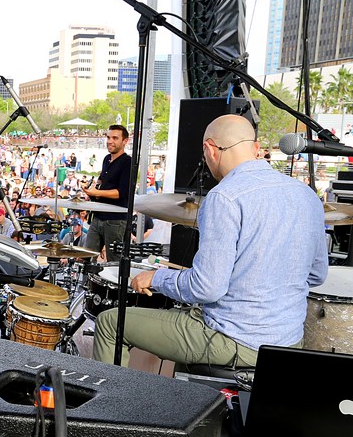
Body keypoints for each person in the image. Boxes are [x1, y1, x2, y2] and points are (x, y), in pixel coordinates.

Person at [93, 115, 328, 368]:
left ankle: (115, 394)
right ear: (256, 148)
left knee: (109, 323)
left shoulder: (224, 197)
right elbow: (317, 275)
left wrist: (155, 278)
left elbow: (207, 288)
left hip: (235, 339)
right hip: (289, 342)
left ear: (210, 149)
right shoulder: (307, 195)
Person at [82, 125, 132, 257]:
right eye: (108, 137)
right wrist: (92, 190)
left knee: (114, 261)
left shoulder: (128, 162)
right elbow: (102, 183)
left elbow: (122, 193)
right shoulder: (106, 159)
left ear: (125, 141)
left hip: (115, 220)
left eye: (115, 138)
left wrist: (96, 193)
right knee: (87, 256)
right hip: (98, 216)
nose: (110, 141)